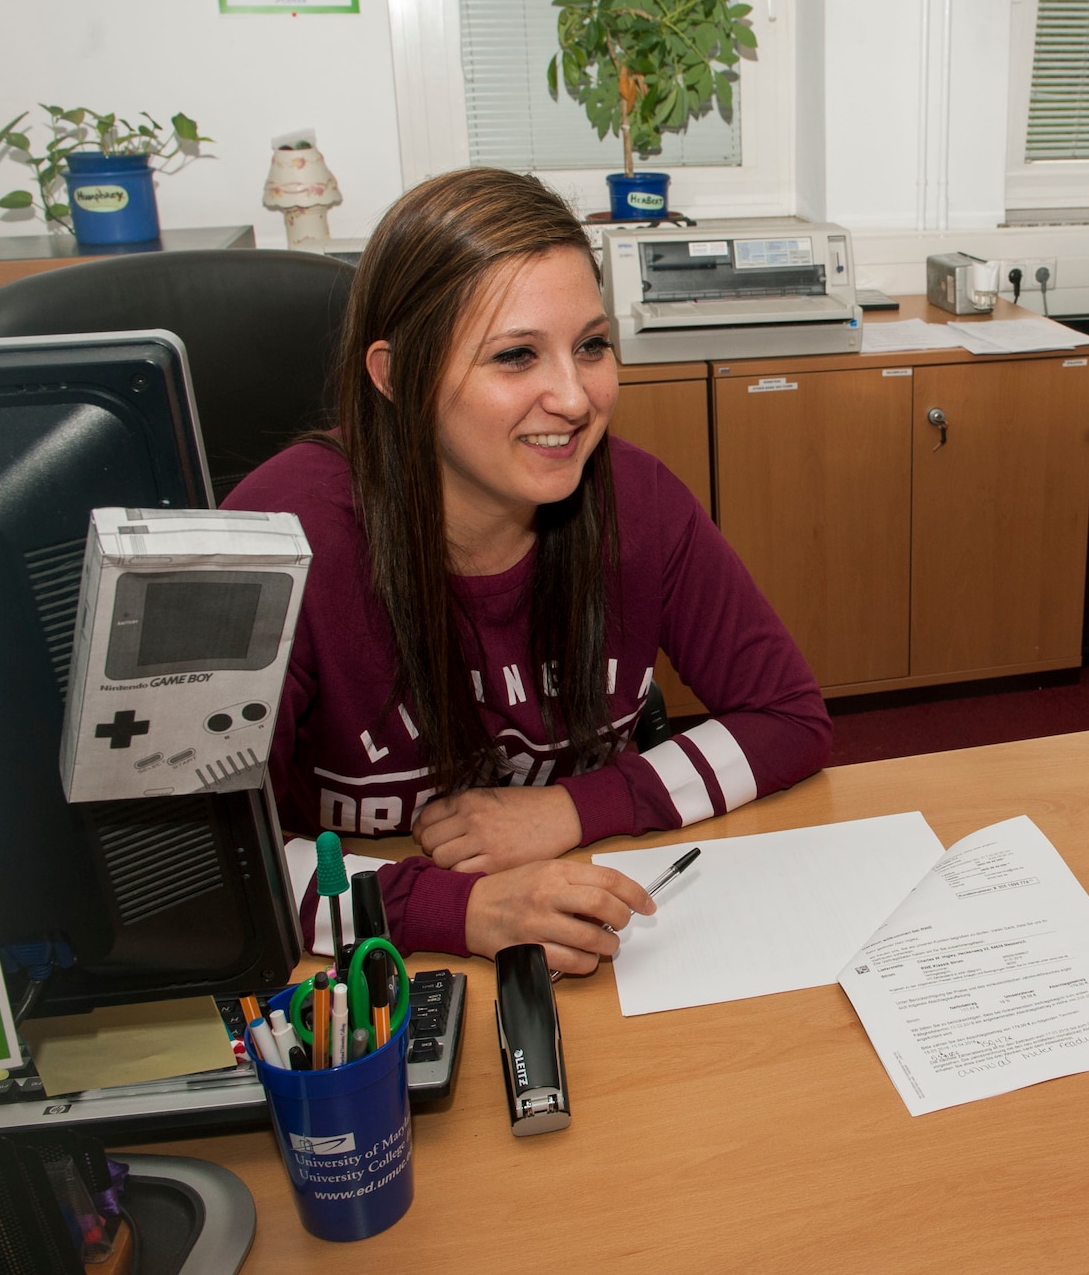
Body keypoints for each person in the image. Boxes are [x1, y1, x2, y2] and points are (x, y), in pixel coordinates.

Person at [227, 168, 831, 974]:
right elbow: (218, 867)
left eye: (590, 346)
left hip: (587, 931)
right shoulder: (277, 539)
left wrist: (570, 808)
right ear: (395, 374)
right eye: (516, 356)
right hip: (365, 977)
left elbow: (789, 718)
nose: (576, 399)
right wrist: (465, 908)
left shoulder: (638, 499)